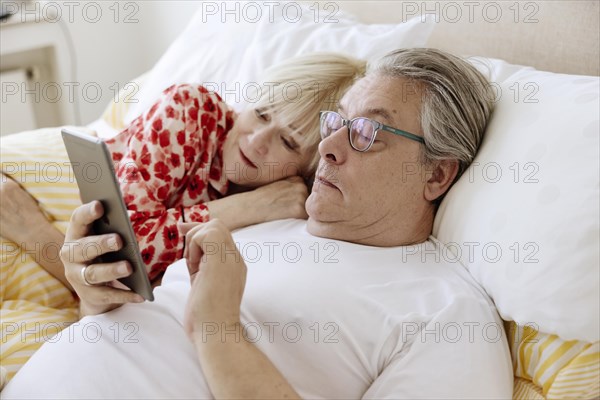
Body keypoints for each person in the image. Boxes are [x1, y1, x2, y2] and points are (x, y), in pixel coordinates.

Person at [3, 48, 513, 398]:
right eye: (335, 123)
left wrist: (218, 328)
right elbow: (137, 325)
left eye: (366, 132)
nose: (328, 149)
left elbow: (196, 329)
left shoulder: (448, 316)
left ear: (437, 174)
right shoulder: (259, 217)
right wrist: (95, 295)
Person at [0, 53, 366, 383]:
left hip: (72, 266)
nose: (257, 141)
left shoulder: (293, 210)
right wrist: (248, 207)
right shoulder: (191, 110)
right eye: (262, 113)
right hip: (37, 201)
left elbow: (118, 280)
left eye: (287, 141)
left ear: (307, 166)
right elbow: (123, 252)